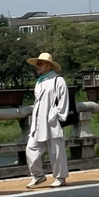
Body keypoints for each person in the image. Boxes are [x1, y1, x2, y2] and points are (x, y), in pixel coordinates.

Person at [25, 52, 71, 188]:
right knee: (31, 148)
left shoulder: (58, 80)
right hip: (38, 121)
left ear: (49, 65)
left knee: (56, 151)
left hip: (52, 121)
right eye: (37, 64)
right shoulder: (40, 82)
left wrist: (56, 115)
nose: (38, 66)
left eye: (41, 63)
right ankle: (38, 175)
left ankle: (60, 177)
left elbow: (63, 100)